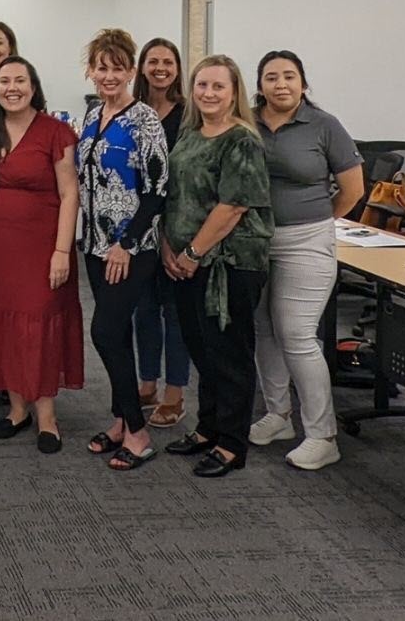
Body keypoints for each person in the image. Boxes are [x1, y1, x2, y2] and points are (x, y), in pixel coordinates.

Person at [0, 56, 80, 453]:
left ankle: (47, 417)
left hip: (41, 248)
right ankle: (17, 409)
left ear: (33, 86)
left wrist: (63, 250)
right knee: (4, 327)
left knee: (37, 326)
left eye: (20, 80)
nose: (12, 88)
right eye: (4, 81)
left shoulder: (56, 131)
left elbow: (70, 194)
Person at [250, 49, 364, 472]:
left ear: (302, 82)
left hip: (306, 241)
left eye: (289, 76)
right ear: (259, 84)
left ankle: (322, 435)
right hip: (255, 240)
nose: (280, 84)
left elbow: (353, 190)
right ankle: (278, 415)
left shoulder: (324, 125)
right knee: (264, 329)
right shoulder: (247, 121)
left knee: (297, 334)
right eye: (271, 77)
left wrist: (317, 221)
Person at [163, 54, 274, 478]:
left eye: (218, 86)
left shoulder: (241, 140)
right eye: (202, 85)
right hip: (186, 261)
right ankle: (208, 427)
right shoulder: (190, 134)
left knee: (229, 354)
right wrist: (170, 247)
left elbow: (233, 206)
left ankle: (231, 443)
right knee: (202, 349)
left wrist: (192, 253)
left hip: (229, 264)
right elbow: (176, 196)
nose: (208, 93)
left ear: (234, 93)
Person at [75, 29, 170, 472]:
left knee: (105, 332)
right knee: (117, 336)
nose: (108, 76)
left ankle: (137, 431)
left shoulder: (144, 120)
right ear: (90, 71)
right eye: (101, 68)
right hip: (94, 245)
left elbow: (156, 191)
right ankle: (119, 421)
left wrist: (126, 244)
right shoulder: (93, 115)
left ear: (131, 71)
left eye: (117, 68)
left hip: (131, 248)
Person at [132, 37, 189, 429]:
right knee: (144, 309)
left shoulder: (188, 115)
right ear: (142, 67)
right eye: (153, 61)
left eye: (168, 62)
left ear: (177, 68)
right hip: (139, 225)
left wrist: (169, 235)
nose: (160, 69)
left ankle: (175, 394)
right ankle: (147, 384)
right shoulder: (134, 111)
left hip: (176, 224)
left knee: (175, 313)